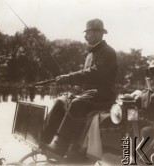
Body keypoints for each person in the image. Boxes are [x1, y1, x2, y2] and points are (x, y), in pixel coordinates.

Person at [42, 18, 118, 159]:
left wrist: (68, 77)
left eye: (87, 33)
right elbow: (87, 78)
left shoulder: (108, 52)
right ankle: (45, 139)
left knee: (77, 104)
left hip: (103, 95)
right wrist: (75, 87)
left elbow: (94, 74)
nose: (85, 36)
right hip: (90, 93)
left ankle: (61, 145)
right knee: (60, 101)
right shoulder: (91, 53)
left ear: (97, 33)